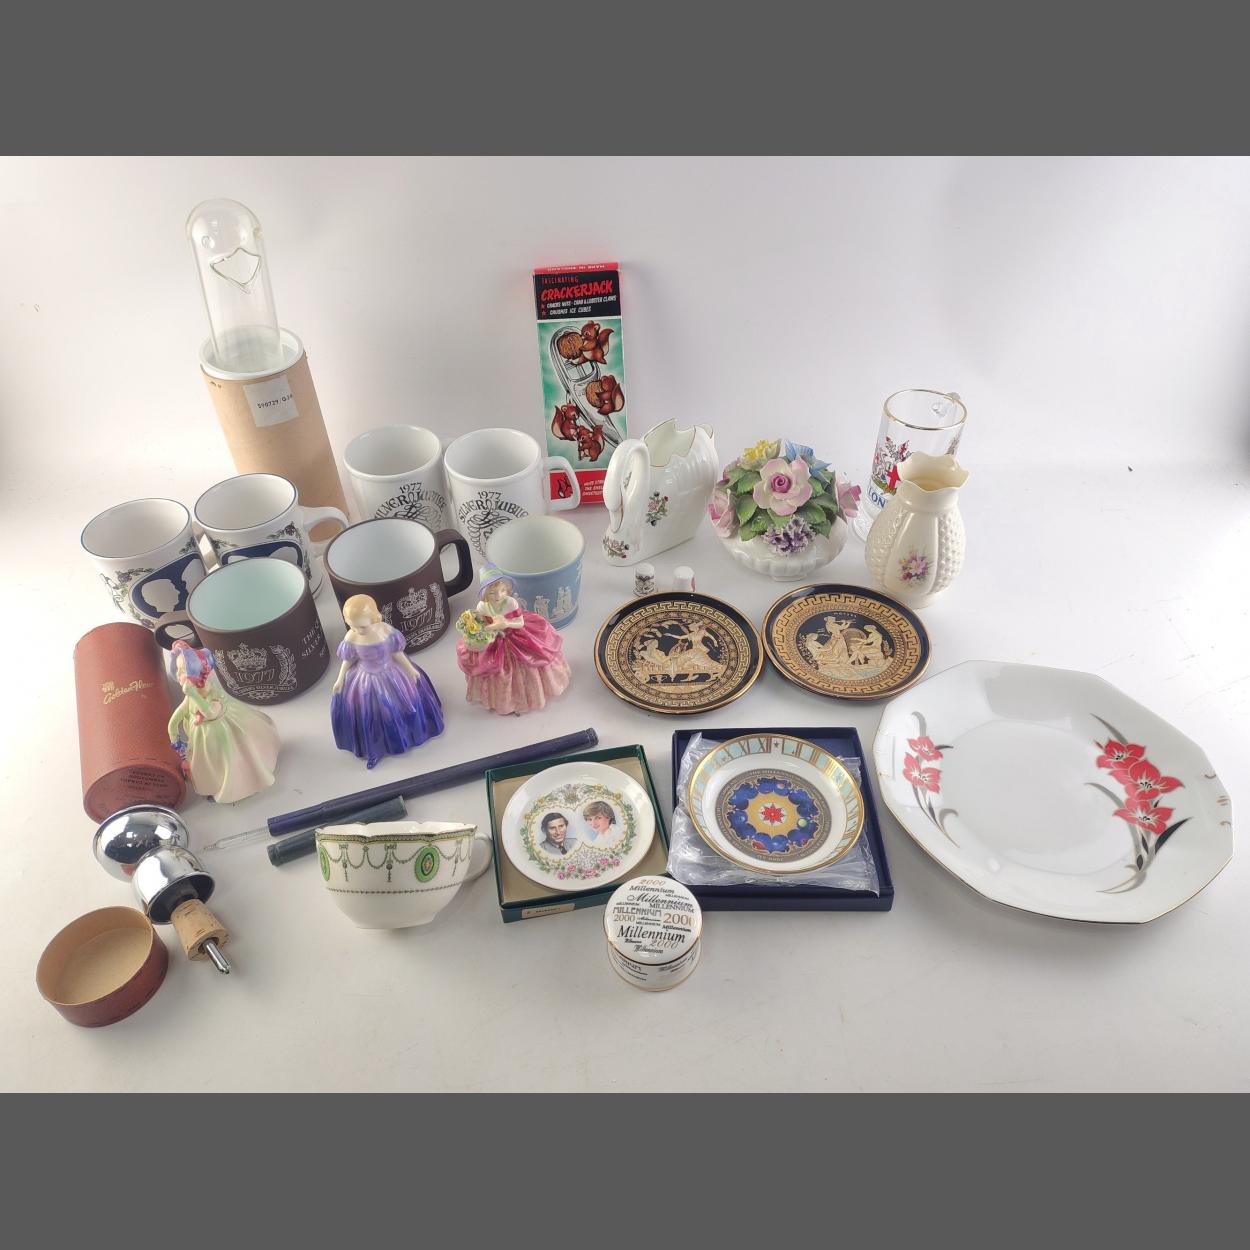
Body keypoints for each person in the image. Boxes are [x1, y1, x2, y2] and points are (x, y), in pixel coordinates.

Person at [331, 593, 444, 769]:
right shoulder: (351, 637)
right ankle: (375, 747)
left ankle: (409, 735)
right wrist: (340, 679)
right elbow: (348, 660)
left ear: (375, 618)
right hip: (365, 680)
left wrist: (410, 669)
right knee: (370, 715)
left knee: (401, 706)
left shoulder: (385, 631)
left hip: (391, 674)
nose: (357, 630)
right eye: (352, 626)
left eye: (362, 626)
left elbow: (397, 653)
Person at [167, 639, 280, 803]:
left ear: (197, 671)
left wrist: (194, 695)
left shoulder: (210, 692)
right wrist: (174, 737)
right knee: (210, 767)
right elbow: (176, 717)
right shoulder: (189, 697)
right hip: (202, 738)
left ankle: (242, 786)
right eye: (178, 670)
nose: (179, 675)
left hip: (222, 731)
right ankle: (213, 785)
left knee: (232, 762)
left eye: (183, 670)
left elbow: (210, 712)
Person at [455, 566, 571, 715]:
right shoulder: (482, 606)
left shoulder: (511, 603)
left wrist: (506, 623)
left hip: (516, 635)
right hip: (494, 638)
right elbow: (483, 624)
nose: (498, 595)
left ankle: (527, 697)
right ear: (485, 594)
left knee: (530, 661)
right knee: (493, 666)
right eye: (493, 593)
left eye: (502, 591)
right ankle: (502, 700)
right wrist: (486, 630)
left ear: (507, 590)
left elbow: (520, 622)